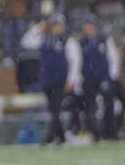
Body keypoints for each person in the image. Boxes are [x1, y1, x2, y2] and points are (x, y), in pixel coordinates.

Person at [22, 15, 81, 145]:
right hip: (48, 80)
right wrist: (37, 28)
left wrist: (72, 79)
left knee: (55, 109)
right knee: (53, 109)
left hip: (61, 80)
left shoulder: (68, 40)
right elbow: (25, 42)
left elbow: (75, 61)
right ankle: (60, 136)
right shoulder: (44, 39)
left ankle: (51, 136)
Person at [74, 17, 121, 140]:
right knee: (90, 107)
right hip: (88, 78)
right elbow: (78, 61)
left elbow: (113, 58)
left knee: (108, 105)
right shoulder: (81, 43)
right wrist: (79, 78)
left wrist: (112, 76)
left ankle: (110, 131)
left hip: (103, 77)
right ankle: (95, 133)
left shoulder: (104, 40)